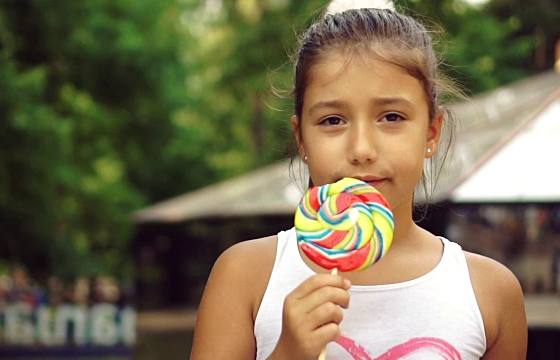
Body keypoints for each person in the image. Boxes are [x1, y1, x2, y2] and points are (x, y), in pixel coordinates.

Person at [190, 1, 527, 359]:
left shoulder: (489, 292)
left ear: (431, 133)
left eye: (392, 116)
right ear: (301, 139)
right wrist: (287, 353)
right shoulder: (245, 275)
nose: (362, 149)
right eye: (333, 120)